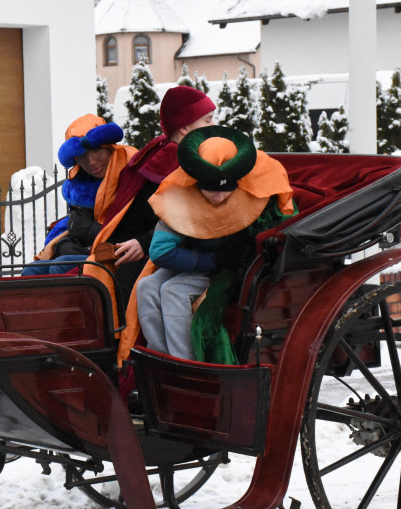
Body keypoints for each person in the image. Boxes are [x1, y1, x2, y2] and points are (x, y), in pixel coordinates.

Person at [120, 125, 295, 366]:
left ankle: (185, 363)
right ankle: (159, 359)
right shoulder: (183, 192)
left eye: (226, 190)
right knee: (147, 286)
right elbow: (160, 250)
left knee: (173, 291)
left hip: (231, 270)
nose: (219, 197)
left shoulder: (254, 190)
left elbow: (281, 220)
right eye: (211, 189)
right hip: (205, 260)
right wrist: (210, 260)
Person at [82, 85, 216, 315]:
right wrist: (141, 243)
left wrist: (142, 242)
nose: (214, 126)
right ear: (184, 127)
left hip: (152, 246)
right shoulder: (174, 159)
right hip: (142, 246)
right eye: (207, 120)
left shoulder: (165, 153)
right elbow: (161, 214)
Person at [22, 115, 134, 275]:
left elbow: (136, 230)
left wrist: (91, 231)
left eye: (96, 151)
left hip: (120, 254)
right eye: (82, 157)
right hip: (91, 251)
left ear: (110, 148)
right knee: (32, 270)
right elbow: (76, 229)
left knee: (61, 265)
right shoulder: (80, 187)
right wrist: (64, 244)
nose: (92, 162)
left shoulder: (131, 175)